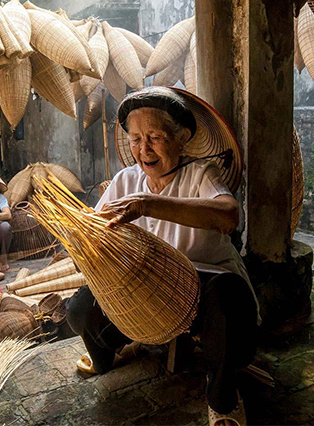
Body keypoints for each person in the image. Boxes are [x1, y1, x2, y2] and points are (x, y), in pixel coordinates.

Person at [65, 86, 259, 426]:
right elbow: (95, 234)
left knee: (231, 307)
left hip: (205, 283)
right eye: (136, 139)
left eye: (155, 136)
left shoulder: (202, 174)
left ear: (182, 137)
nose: (144, 149)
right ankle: (113, 350)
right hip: (145, 290)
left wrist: (150, 205)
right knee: (80, 309)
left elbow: (228, 215)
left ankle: (222, 395)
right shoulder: (125, 181)